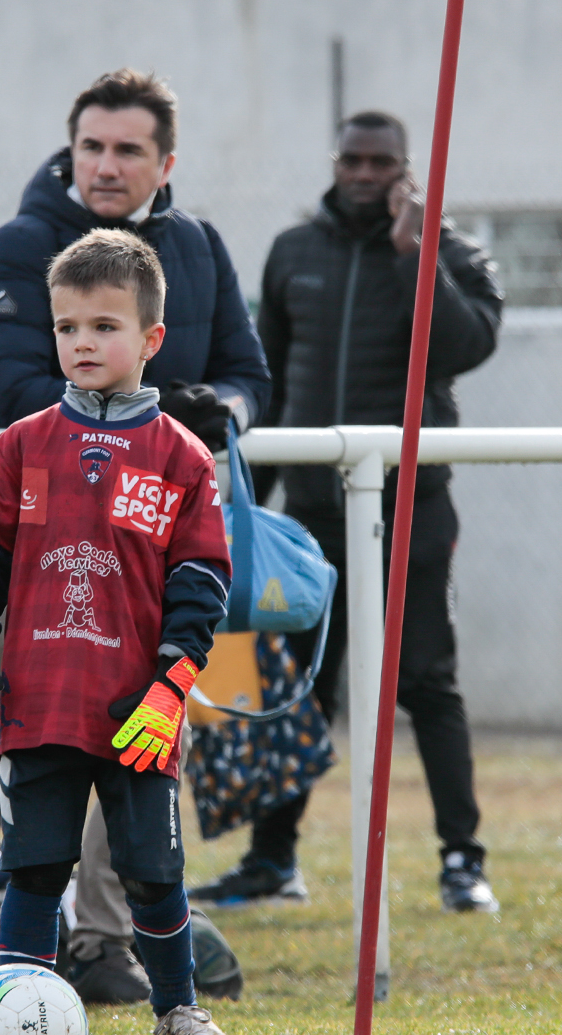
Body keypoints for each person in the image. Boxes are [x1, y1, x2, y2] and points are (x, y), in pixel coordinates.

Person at [0, 69, 270, 1008]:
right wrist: (121, 424)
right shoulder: (20, 244)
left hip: (137, 558)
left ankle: (108, 950)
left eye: (128, 149)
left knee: (134, 750)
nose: (107, 165)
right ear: (69, 149)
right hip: (5, 540)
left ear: (166, 162)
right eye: (92, 146)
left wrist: (210, 411)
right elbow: (0, 385)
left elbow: (247, 373)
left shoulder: (197, 249)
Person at [0, 229, 242, 1035]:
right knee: (34, 864)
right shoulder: (22, 444)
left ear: (151, 339)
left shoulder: (182, 456)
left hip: (137, 710)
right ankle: (18, 1016)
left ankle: (178, 1012)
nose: (82, 342)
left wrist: (172, 684)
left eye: (105, 326)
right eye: (67, 326)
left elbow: (202, 580)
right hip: (39, 700)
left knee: (153, 870)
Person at [203, 109, 501, 913]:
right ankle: (274, 863)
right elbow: (262, 378)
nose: (365, 174)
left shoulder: (449, 252)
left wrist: (417, 253)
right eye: (353, 160)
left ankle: (461, 862)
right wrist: (244, 511)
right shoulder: (294, 251)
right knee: (293, 686)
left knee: (427, 683)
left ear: (405, 169)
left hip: (411, 507)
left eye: (382, 163)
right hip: (309, 519)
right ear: (335, 162)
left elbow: (465, 347)